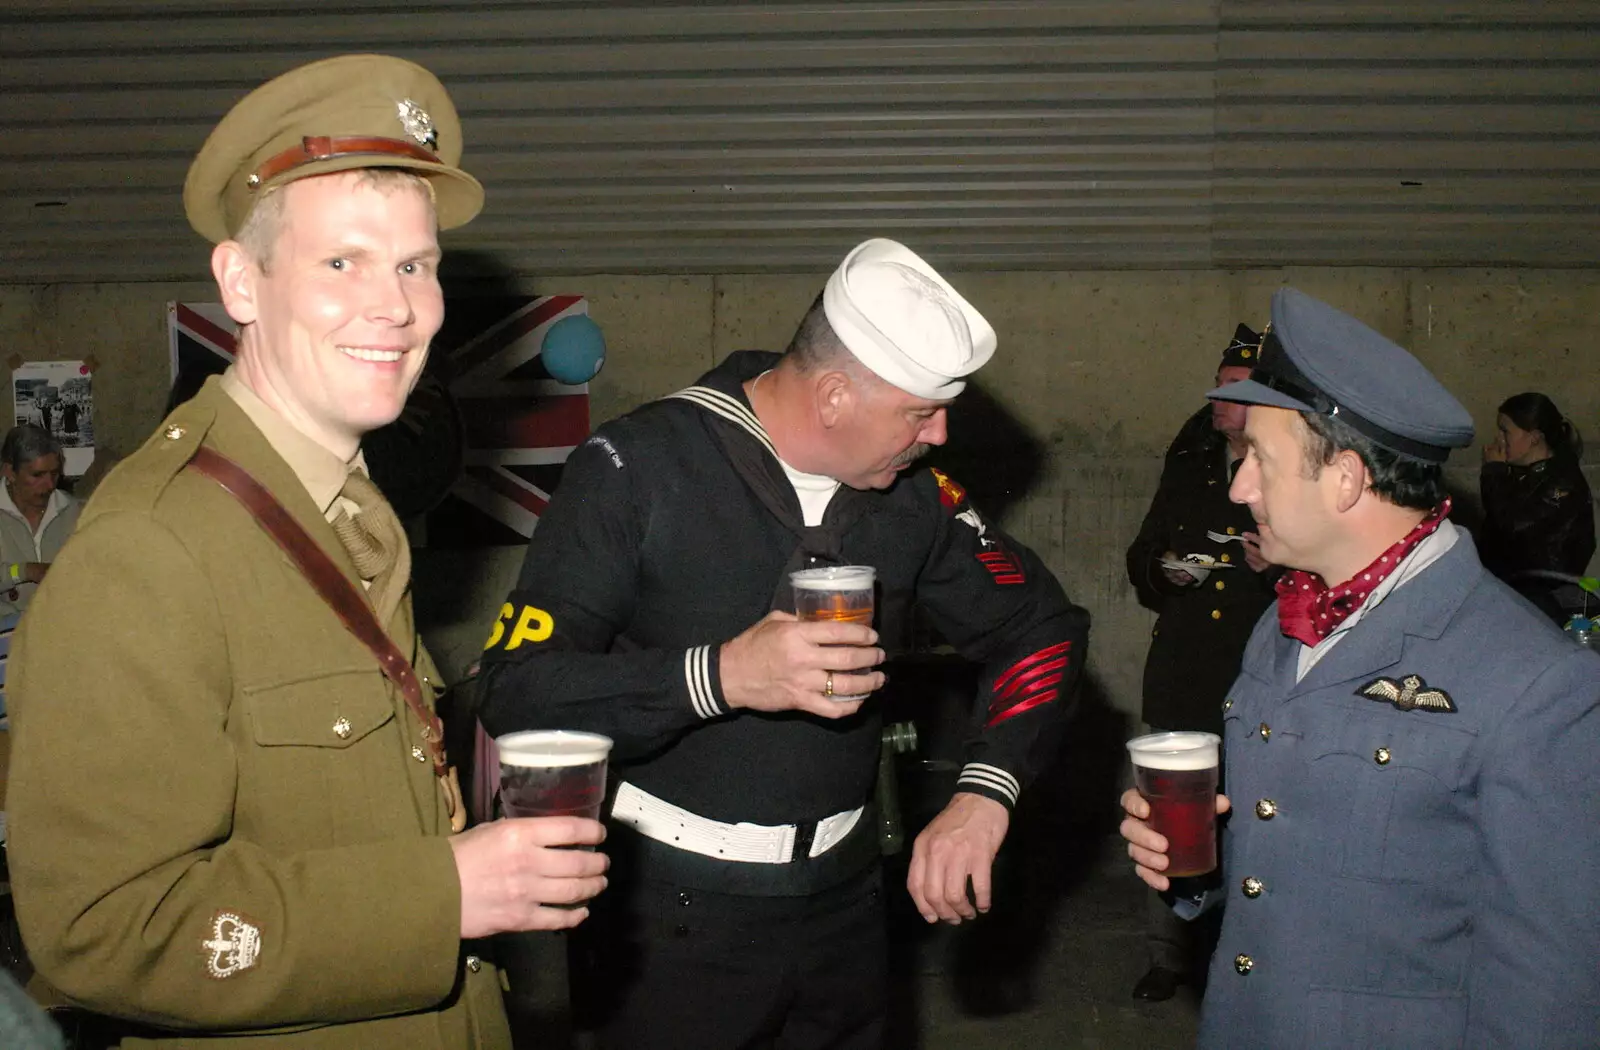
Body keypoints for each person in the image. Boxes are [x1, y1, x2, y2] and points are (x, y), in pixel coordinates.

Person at [6, 54, 608, 1049]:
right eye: (344, 262)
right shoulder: (152, 548)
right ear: (242, 281)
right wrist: (440, 896)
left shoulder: (352, 511)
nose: (398, 306)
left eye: (415, 264)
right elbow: (98, 929)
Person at [479, 237, 1090, 1049]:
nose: (940, 436)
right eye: (920, 412)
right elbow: (517, 691)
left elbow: (1040, 628)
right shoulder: (638, 467)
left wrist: (985, 792)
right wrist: (719, 676)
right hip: (669, 917)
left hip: (846, 906)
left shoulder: (914, 500)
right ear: (835, 395)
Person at [1120, 287, 1600, 1048]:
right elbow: (1285, 866)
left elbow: (1553, 992)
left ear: (1345, 478)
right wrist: (1198, 872)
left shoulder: (1537, 684)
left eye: (1259, 461)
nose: (1240, 488)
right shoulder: (1287, 623)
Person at [1123, 324, 1279, 1002]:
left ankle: (1242, 961)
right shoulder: (1189, 455)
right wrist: (1162, 572)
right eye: (1220, 384)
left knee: (1248, 822)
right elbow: (1142, 552)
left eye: (1239, 390)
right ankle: (1169, 956)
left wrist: (1277, 571)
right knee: (1167, 819)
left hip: (1254, 672)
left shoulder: (1289, 461)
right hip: (1184, 670)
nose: (1221, 398)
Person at [1479, 391, 1595, 617]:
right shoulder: (1523, 475)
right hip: (1513, 587)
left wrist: (1494, 472)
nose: (1499, 439)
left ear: (1534, 437)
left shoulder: (1562, 481)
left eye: (1506, 431)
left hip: (1546, 593)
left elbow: (1512, 524)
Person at [0, 426, 82, 620]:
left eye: (54, 474)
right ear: (9, 472)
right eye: (37, 475)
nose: (49, 485)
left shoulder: (75, 512)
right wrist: (25, 571)